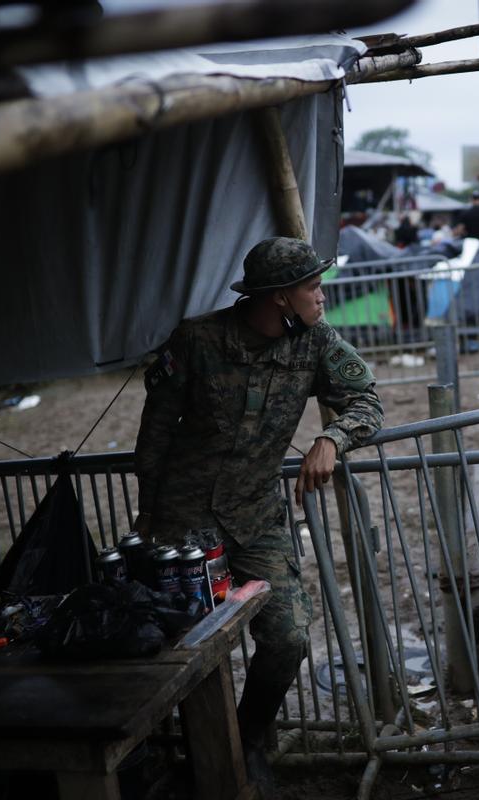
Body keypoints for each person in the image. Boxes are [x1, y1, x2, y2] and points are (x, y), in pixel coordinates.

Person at [133, 237, 384, 794]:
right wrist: (148, 517)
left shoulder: (315, 342)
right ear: (278, 297)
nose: (322, 296)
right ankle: (184, 756)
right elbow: (155, 430)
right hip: (183, 521)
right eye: (312, 287)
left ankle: (247, 741)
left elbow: (368, 398)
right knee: (182, 644)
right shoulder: (197, 339)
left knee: (288, 636)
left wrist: (333, 438)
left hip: (256, 516)